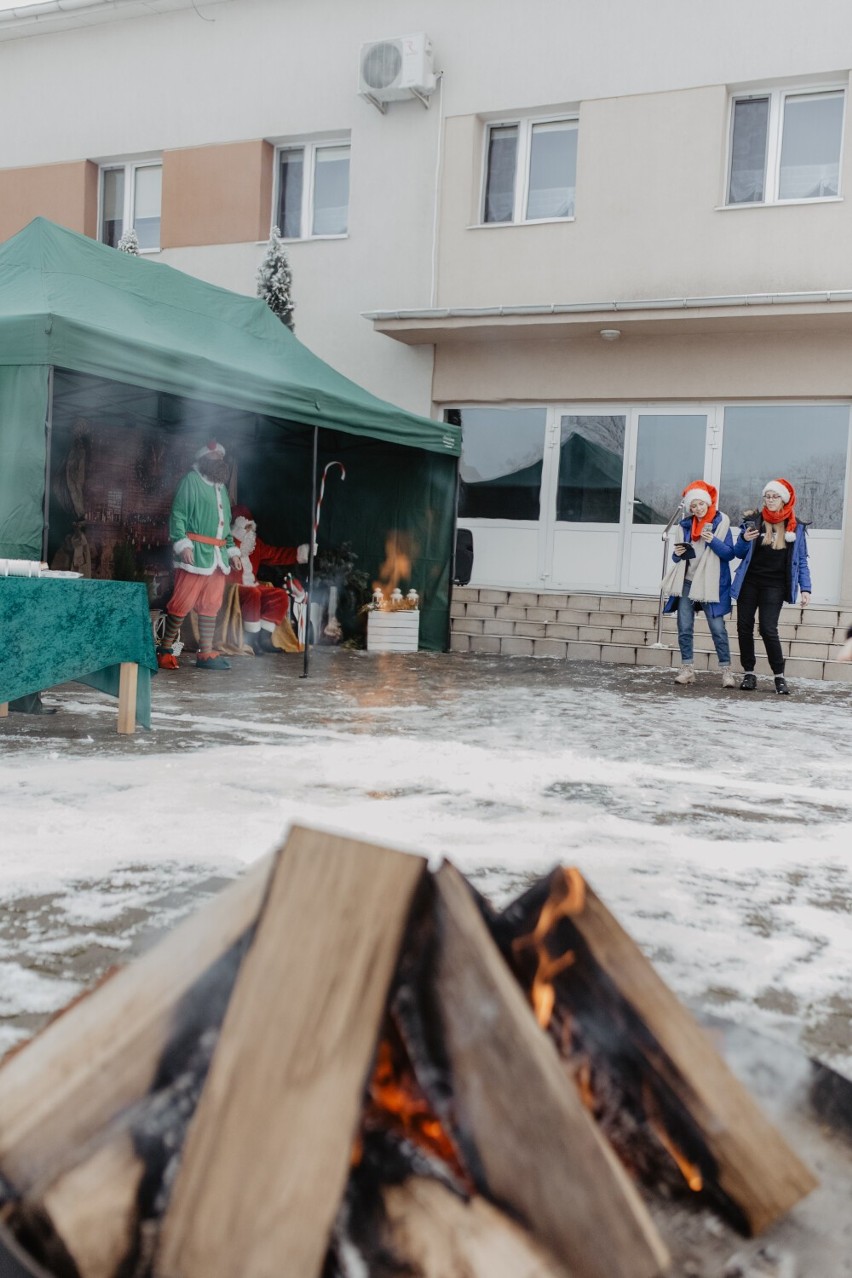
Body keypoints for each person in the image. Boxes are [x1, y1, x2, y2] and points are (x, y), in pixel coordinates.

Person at [156, 441, 242, 671]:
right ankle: (164, 649)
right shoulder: (190, 482)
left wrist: (232, 551)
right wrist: (183, 545)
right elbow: (178, 516)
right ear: (204, 460)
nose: (220, 462)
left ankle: (206, 653)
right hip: (194, 554)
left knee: (211, 604)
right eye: (214, 458)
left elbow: (225, 528)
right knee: (182, 601)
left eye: (221, 458)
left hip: (217, 555)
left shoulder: (221, 488)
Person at [731, 479, 811, 694]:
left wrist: (806, 588)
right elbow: (738, 553)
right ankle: (749, 673)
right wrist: (745, 540)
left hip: (774, 585)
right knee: (744, 627)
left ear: (783, 499)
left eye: (775, 496)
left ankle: (779, 676)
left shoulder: (796, 527)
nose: (771, 500)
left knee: (768, 628)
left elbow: (801, 560)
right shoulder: (754, 522)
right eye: (768, 496)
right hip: (750, 582)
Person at [662, 481, 736, 688]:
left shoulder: (721, 524)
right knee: (684, 626)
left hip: (711, 584)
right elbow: (679, 560)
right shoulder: (685, 527)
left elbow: (729, 554)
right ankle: (687, 670)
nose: (697, 509)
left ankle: (726, 672)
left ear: (707, 502)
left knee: (717, 628)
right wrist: (677, 555)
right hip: (687, 582)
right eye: (693, 506)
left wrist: (712, 540)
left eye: (700, 504)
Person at [230, 506, 310, 653]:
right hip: (231, 588)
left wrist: (301, 553)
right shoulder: (228, 544)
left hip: (252, 585)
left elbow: (276, 555)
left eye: (250, 527)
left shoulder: (255, 544)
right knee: (253, 593)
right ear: (236, 528)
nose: (248, 531)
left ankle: (265, 638)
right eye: (245, 527)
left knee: (279, 595)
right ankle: (251, 640)